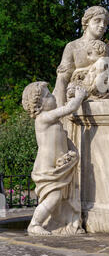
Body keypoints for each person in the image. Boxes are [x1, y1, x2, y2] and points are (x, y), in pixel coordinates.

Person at [22, 81, 87, 235]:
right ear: (38, 105)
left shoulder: (53, 122)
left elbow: (63, 139)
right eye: (48, 95)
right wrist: (80, 96)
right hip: (47, 168)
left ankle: (57, 221)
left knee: (58, 196)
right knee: (55, 196)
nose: (52, 96)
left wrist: (71, 153)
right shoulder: (43, 118)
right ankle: (34, 224)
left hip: (57, 166)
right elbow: (69, 108)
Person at [53, 6, 109, 107]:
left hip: (100, 99)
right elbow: (62, 79)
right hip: (75, 98)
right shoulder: (73, 47)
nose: (102, 25)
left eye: (105, 23)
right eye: (97, 21)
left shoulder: (105, 49)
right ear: (87, 22)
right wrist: (60, 109)